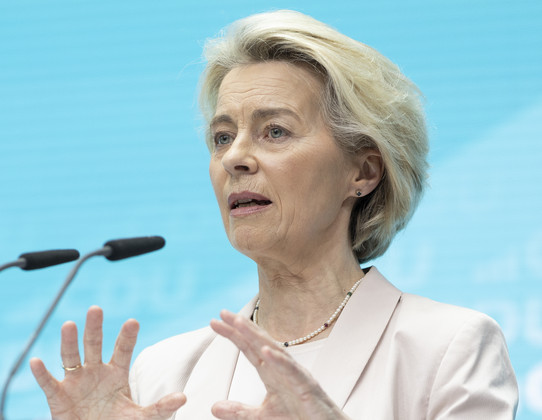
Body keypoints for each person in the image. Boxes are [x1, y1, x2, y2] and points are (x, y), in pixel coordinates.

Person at [30, 10, 518, 419]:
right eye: (222, 136)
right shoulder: (165, 372)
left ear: (364, 171)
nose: (234, 158)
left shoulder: (448, 347)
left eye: (275, 132)